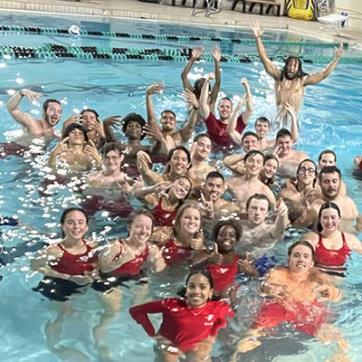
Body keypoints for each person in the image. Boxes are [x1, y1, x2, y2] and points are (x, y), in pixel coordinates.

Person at [232, 241, 348, 362]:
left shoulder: (319, 277)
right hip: (279, 309)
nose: (301, 259)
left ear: (311, 263)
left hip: (309, 311)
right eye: (296, 255)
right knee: (248, 339)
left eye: (306, 256)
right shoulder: (278, 272)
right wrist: (269, 289)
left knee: (339, 342)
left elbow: (338, 295)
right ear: (289, 259)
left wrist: (335, 293)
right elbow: (264, 288)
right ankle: (235, 356)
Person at [93, 210, 166, 359]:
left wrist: (157, 260)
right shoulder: (116, 247)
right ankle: (99, 339)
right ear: (129, 228)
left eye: (148, 228)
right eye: (139, 226)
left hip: (134, 277)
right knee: (113, 310)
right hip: (110, 280)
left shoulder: (150, 249)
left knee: (142, 306)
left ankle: (147, 333)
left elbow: (161, 271)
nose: (143, 231)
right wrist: (122, 259)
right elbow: (102, 268)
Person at [31, 208, 97, 360]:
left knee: (81, 313)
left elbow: (96, 264)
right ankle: (53, 346)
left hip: (80, 283)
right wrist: (67, 276)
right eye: (70, 222)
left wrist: (93, 275)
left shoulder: (92, 245)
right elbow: (34, 265)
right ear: (62, 226)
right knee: (62, 314)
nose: (76, 227)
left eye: (80, 222)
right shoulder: (54, 250)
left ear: (86, 226)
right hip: (57, 285)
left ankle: (83, 339)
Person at [251, 19, 343, 128]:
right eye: (289, 65)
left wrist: (336, 58)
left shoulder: (302, 80)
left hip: (293, 123)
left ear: (298, 69)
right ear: (286, 66)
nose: (291, 68)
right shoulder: (278, 76)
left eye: (295, 66)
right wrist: (257, 38)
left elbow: (324, 74)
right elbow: (264, 58)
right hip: (277, 121)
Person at [129, 270, 234, 362]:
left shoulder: (218, 309)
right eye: (192, 286)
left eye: (202, 287)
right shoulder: (171, 305)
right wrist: (154, 335)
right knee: (166, 355)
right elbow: (136, 311)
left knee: (201, 357)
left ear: (210, 292)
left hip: (195, 348)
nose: (196, 291)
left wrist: (211, 337)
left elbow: (224, 321)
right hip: (170, 346)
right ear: (186, 290)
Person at [191, 220, 258, 299]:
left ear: (237, 240)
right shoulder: (206, 255)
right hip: (207, 299)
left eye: (232, 235)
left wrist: (251, 271)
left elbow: (258, 279)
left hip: (230, 302)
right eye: (222, 234)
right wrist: (208, 261)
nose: (227, 238)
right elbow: (191, 269)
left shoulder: (242, 260)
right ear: (215, 238)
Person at [303, 202, 362, 277]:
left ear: (339, 219)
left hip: (342, 281)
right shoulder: (313, 239)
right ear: (320, 219)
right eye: (325, 218)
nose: (329, 221)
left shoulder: (350, 240)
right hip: (318, 279)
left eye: (333, 217)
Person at [199, 75, 253, 150]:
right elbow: (202, 104)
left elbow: (250, 110)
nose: (225, 109)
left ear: (231, 109)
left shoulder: (238, 122)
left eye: (227, 107)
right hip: (215, 154)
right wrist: (207, 81)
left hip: (234, 153)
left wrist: (247, 87)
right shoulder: (213, 122)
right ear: (218, 108)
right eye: (222, 106)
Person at [3, 89, 62, 157]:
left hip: (32, 154)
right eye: (52, 110)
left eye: (59, 112)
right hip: (12, 148)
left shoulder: (54, 133)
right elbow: (11, 109)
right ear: (44, 111)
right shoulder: (31, 122)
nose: (56, 114)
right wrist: (21, 93)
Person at [82, 142, 134, 218]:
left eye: (114, 157)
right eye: (107, 157)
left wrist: (129, 193)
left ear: (121, 158)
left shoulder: (127, 181)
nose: (110, 161)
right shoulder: (91, 177)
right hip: (94, 210)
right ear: (102, 158)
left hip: (117, 212)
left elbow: (133, 198)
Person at [145, 83, 198, 151]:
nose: (168, 120)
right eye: (165, 118)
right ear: (160, 120)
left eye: (171, 118)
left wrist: (196, 107)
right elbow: (151, 119)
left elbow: (191, 125)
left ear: (175, 122)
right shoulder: (156, 133)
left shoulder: (181, 135)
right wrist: (148, 95)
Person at [238, 194, 289, 262]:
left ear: (267, 213)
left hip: (263, 263)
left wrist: (282, 214)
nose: (257, 213)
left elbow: (279, 231)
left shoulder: (270, 230)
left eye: (262, 209)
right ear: (247, 209)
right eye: (254, 208)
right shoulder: (237, 227)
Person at [311, 166, 362, 232]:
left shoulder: (349, 202)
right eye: (326, 182)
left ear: (340, 182)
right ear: (320, 184)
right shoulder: (316, 207)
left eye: (334, 181)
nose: (331, 185)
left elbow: (358, 224)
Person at [280, 159, 321, 228]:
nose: (306, 173)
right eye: (303, 169)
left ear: (315, 176)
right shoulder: (286, 193)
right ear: (297, 174)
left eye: (310, 170)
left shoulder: (319, 196)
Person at [181, 46, 221, 113]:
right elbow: (217, 82)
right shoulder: (210, 100)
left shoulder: (192, 97)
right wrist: (216, 62)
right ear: (209, 91)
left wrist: (192, 59)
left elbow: (183, 76)